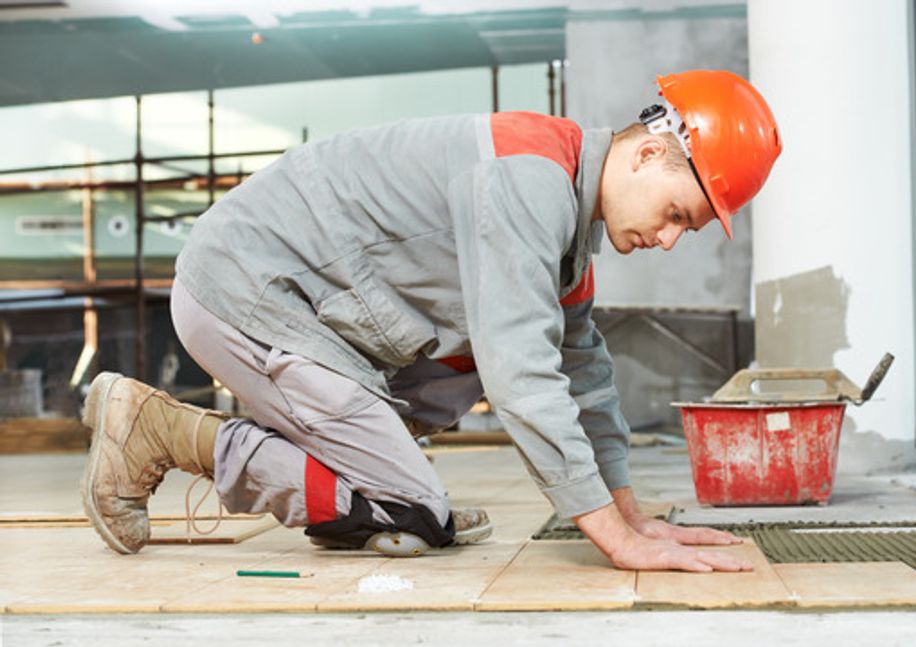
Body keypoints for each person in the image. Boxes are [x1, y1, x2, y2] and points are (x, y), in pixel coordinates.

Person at [80, 69, 781, 570]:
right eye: (676, 214)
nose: (666, 239)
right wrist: (613, 539)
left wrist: (630, 512)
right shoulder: (529, 179)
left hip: (306, 313)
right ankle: (162, 429)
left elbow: (583, 373)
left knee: (505, 352)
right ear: (651, 151)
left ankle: (375, 479)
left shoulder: (563, 215)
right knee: (417, 514)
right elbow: (522, 374)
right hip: (244, 292)